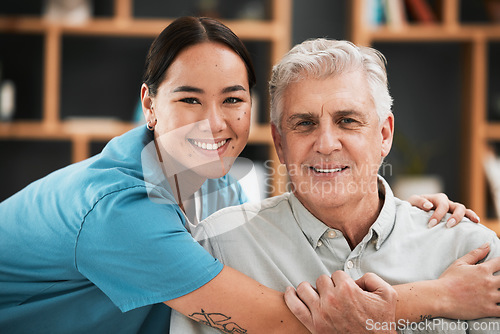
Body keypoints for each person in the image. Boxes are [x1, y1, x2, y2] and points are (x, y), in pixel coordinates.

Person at [0, 17, 485, 334]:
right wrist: (441, 294)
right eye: (190, 98)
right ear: (149, 104)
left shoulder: (213, 183)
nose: (215, 123)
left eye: (231, 99)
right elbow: (282, 322)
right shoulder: (121, 213)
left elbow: (330, 182)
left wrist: (403, 213)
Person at [171, 38, 500, 333]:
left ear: (384, 134)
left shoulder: (471, 253)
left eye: (347, 121)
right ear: (280, 143)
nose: (326, 144)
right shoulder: (220, 249)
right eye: (305, 123)